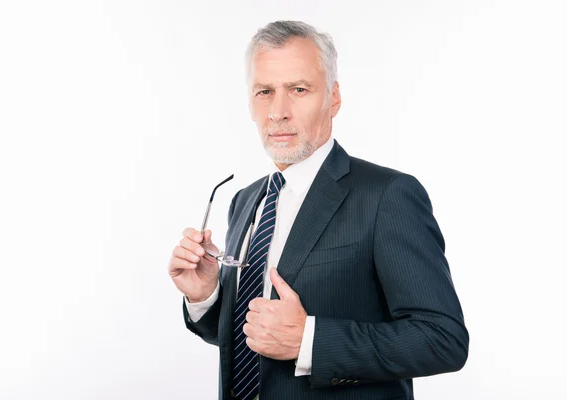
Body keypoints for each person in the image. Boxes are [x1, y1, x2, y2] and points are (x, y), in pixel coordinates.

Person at [168, 20, 469, 400]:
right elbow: (252, 340)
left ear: (334, 98)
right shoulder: (246, 200)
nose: (278, 111)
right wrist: (206, 296)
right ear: (250, 103)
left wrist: (309, 341)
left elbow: (443, 340)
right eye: (265, 91)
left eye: (298, 89)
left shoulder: (388, 195)